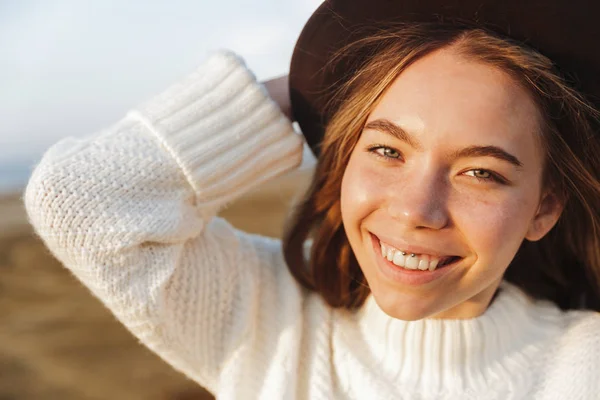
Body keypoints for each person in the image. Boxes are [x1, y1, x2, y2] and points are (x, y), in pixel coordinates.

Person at [24, 0, 600, 398]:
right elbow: (79, 201)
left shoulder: (582, 366)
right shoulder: (259, 317)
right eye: (387, 151)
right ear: (343, 154)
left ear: (545, 208)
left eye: (480, 172)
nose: (415, 211)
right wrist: (315, 87)